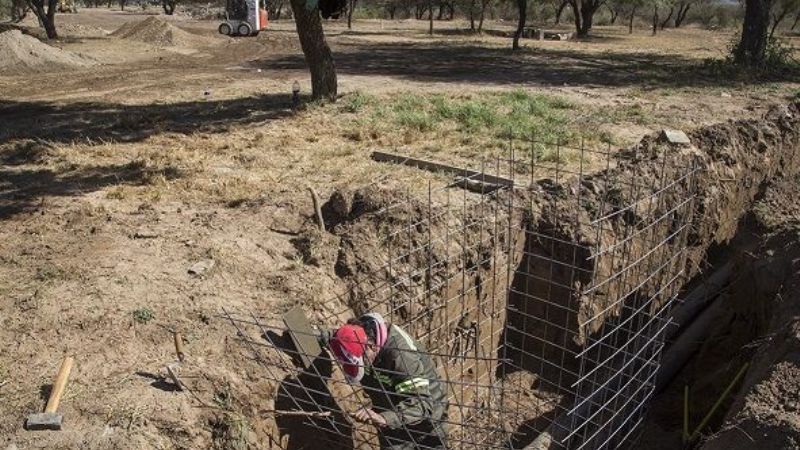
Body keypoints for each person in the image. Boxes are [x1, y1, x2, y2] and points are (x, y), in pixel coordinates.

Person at [319, 313, 448, 450]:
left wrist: (385, 419)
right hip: (390, 409)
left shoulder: (400, 356)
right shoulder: (357, 335)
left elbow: (422, 404)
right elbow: (336, 337)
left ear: (372, 346)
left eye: (361, 361)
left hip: (425, 414)